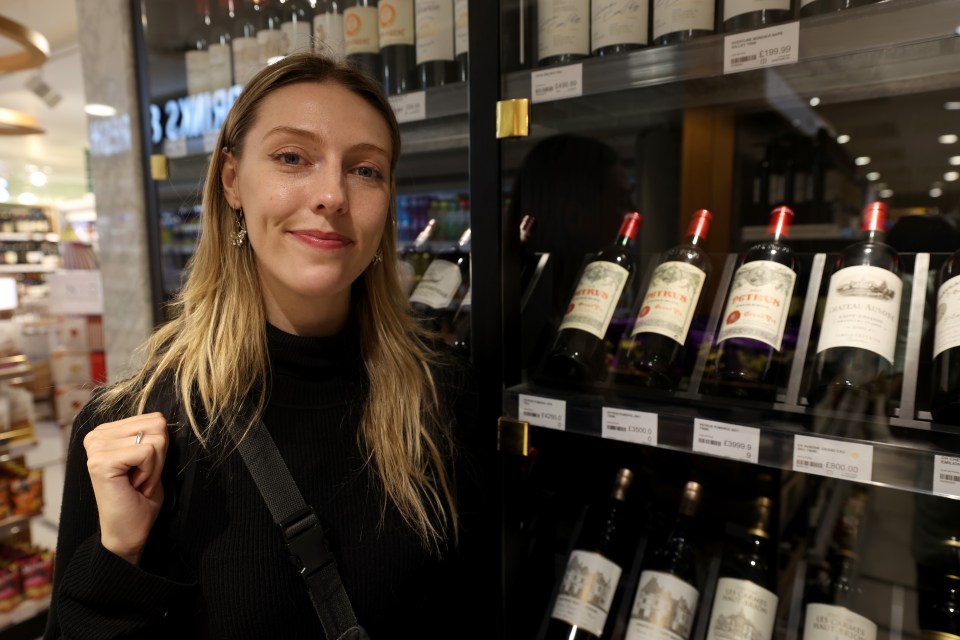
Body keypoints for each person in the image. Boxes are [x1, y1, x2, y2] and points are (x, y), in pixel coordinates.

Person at [45, 52, 487, 639]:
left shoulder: (441, 396)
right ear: (232, 180)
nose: (332, 194)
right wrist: (119, 556)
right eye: (291, 158)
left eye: (365, 170)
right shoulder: (134, 429)